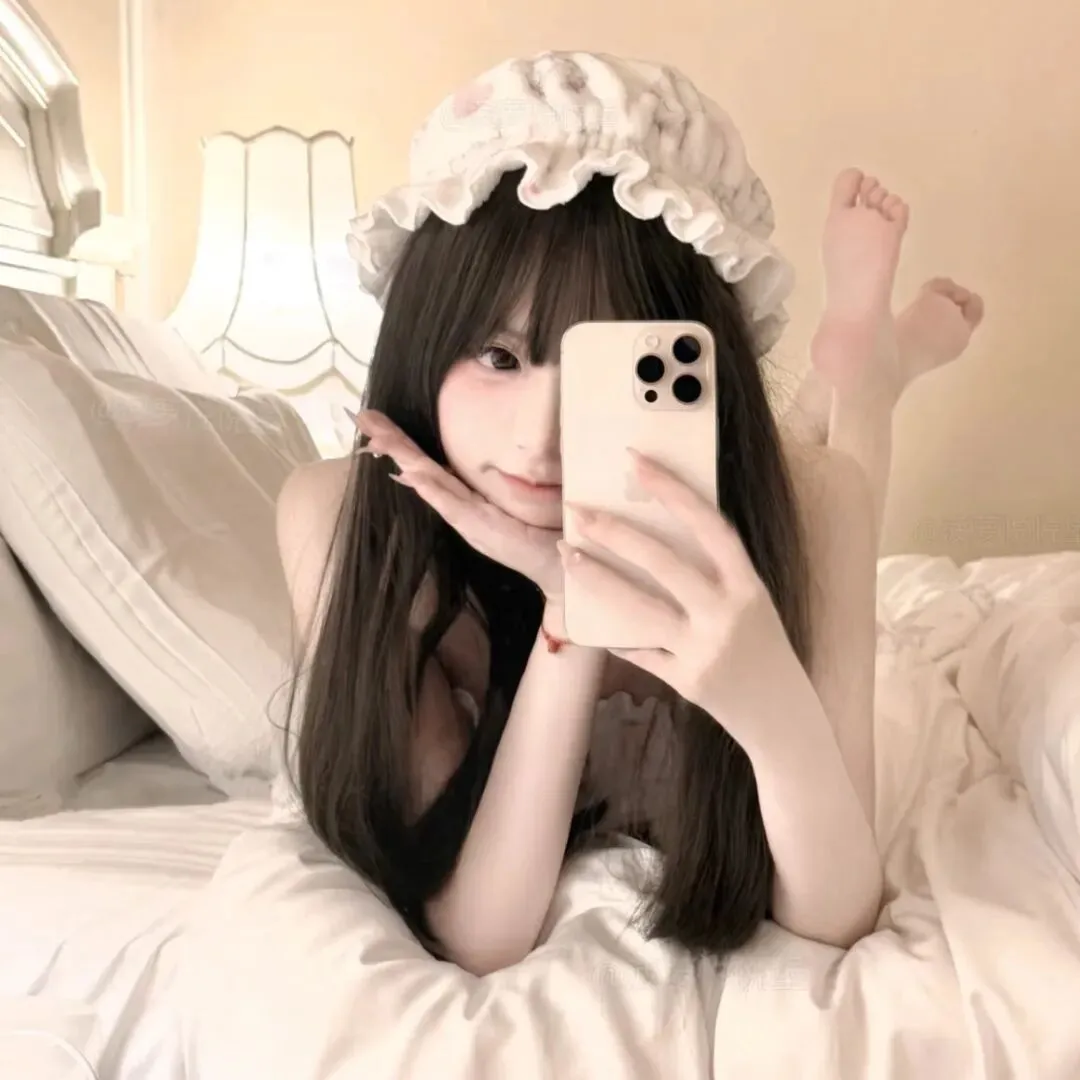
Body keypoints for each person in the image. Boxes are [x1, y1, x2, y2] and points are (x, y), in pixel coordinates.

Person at [275, 52, 983, 977]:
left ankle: (864, 368)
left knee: (836, 476)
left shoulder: (813, 504)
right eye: (498, 356)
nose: (540, 439)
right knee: (815, 468)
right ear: (421, 341)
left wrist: (767, 698)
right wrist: (569, 610)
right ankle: (859, 365)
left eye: (604, 373)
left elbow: (836, 916)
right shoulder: (341, 519)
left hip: (775, 485)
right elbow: (483, 931)